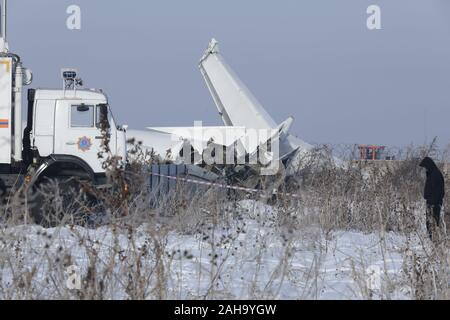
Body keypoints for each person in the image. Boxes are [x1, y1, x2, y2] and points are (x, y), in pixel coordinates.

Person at [419, 157, 445, 241]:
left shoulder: (436, 174)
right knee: (429, 222)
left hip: (434, 204)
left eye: (425, 167)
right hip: (430, 202)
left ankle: (435, 240)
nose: (425, 169)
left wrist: (433, 203)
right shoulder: (431, 174)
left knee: (434, 222)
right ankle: (432, 239)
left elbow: (439, 191)